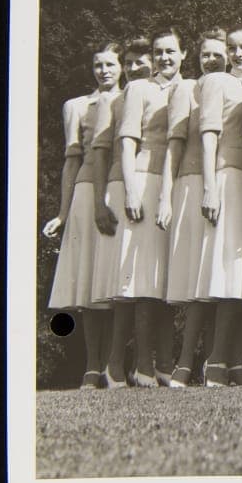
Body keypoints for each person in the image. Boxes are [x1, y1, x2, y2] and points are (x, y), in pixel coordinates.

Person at [43, 40, 124, 389]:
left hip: (123, 190)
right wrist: (62, 214)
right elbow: (70, 162)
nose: (104, 71)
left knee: (117, 280)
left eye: (110, 64)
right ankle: (93, 366)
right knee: (92, 280)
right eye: (98, 65)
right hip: (87, 191)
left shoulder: (135, 97)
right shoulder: (77, 106)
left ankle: (115, 364)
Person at [108, 27, 185, 387]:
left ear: (183, 54)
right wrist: (132, 191)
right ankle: (140, 366)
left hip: (177, 185)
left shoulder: (192, 89)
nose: (165, 58)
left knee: (167, 281)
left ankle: (164, 364)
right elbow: (126, 143)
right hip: (144, 179)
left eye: (171, 51)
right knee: (139, 279)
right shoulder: (139, 88)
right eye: (159, 52)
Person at [160, 28, 228, 387]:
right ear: (196, 57)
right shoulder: (186, 89)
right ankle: (183, 363)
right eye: (207, 55)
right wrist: (165, 195)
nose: (213, 60)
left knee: (222, 276)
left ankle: (221, 360)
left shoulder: (239, 86)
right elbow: (175, 145)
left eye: (219, 54)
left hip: (229, 186)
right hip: (195, 186)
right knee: (197, 279)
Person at [197, 22, 242, 387]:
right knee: (226, 273)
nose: (239, 54)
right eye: (233, 48)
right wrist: (210, 187)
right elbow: (209, 138)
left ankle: (236, 359)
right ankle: (216, 361)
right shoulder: (217, 82)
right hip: (227, 179)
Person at [89, 36, 154, 388]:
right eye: (129, 62)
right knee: (127, 281)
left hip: (151, 186)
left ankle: (143, 364)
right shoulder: (115, 99)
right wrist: (102, 202)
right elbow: (100, 154)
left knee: (144, 280)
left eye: (141, 61)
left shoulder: (160, 93)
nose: (135, 67)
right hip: (127, 187)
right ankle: (115, 365)